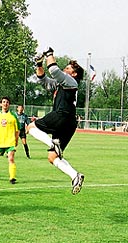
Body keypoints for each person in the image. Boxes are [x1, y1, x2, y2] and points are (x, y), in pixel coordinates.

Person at [24, 47, 86, 194]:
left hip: (61, 115)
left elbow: (54, 70)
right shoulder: (61, 84)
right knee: (52, 157)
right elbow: (44, 80)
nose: (65, 69)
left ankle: (52, 143)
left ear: (74, 73)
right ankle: (75, 176)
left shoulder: (71, 81)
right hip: (69, 123)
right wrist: (39, 64)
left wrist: (49, 53)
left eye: (68, 68)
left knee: (31, 127)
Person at [0, 97, 20, 184]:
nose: (5, 104)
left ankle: (12, 178)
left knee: (11, 159)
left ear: (9, 104)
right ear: (0, 104)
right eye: (4, 102)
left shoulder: (13, 116)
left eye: (7, 102)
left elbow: (17, 130)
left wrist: (16, 140)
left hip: (10, 142)